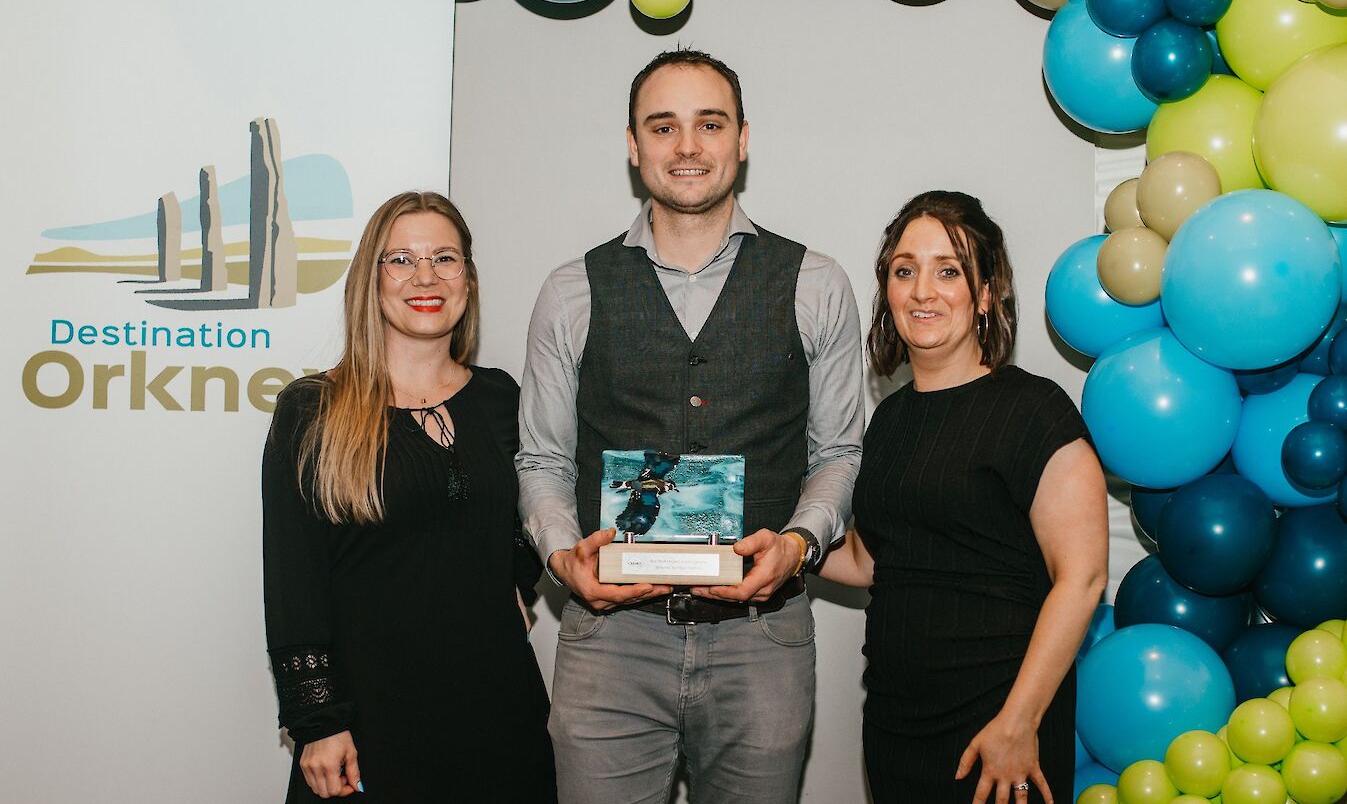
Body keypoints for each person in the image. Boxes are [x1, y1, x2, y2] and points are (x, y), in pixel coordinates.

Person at [516, 49, 864, 804]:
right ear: (633, 146)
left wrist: (801, 543)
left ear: (742, 139)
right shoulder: (570, 290)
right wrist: (558, 557)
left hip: (761, 643)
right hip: (610, 640)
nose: (686, 147)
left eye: (708, 124)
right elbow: (541, 459)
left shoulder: (816, 283)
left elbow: (836, 451)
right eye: (662, 126)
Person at [262, 191, 555, 803]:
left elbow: (540, 510)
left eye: (445, 258)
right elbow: (295, 580)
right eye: (401, 260)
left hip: (497, 715)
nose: (426, 277)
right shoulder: (313, 409)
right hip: (368, 723)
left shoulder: (504, 399)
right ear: (372, 280)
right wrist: (318, 722)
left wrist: (517, 579)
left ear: (467, 279)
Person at [819, 190, 1108, 804]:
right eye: (905, 270)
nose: (922, 291)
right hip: (897, 727)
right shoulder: (891, 421)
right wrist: (785, 544)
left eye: (948, 270)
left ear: (983, 295)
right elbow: (873, 562)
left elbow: (1081, 578)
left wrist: (1019, 723)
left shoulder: (1033, 409)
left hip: (999, 730)